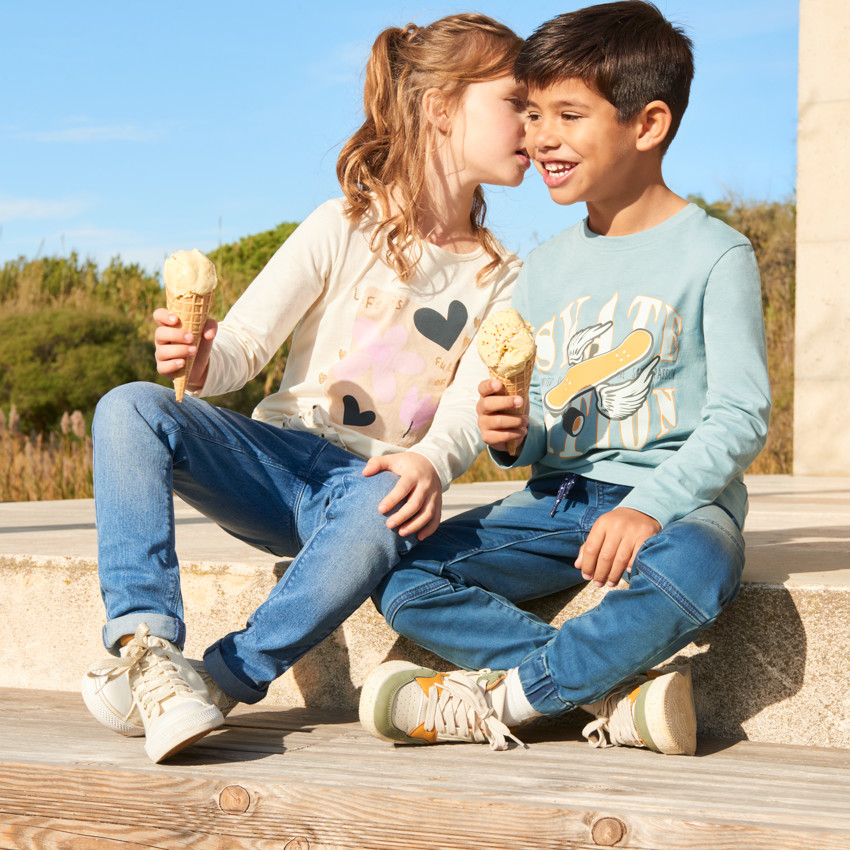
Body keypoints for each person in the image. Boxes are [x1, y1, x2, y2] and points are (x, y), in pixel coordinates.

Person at [81, 13, 530, 764]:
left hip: (367, 486)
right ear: (441, 106)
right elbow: (244, 350)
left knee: (384, 508)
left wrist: (432, 463)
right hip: (273, 457)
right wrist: (198, 359)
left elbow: (463, 411)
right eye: (516, 100)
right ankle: (148, 647)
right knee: (128, 406)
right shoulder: (342, 224)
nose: (534, 121)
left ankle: (221, 677)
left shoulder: (503, 275)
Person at [360, 0, 771, 756]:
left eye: (568, 115)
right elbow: (547, 424)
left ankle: (511, 701)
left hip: (675, 505)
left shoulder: (715, 254)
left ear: (647, 126)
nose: (539, 135)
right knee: (402, 574)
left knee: (703, 566)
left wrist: (649, 507)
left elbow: (741, 416)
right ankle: (612, 692)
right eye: (533, 112)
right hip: (556, 504)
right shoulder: (543, 268)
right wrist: (513, 436)